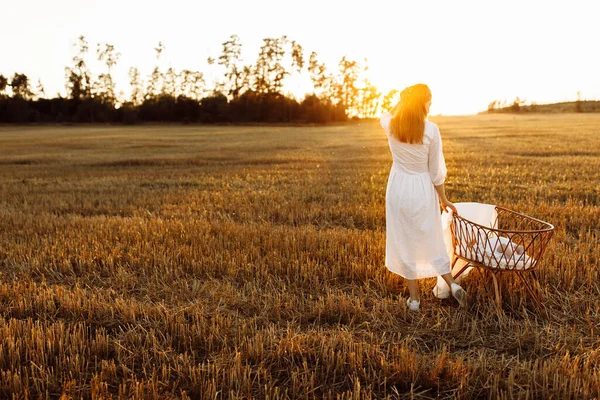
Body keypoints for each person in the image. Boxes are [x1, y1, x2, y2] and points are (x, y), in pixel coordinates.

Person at [380, 83, 467, 312]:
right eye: (429, 100)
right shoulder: (431, 130)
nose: (431, 104)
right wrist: (444, 199)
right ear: (423, 103)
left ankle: (415, 299)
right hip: (422, 188)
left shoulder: (390, 124)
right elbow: (435, 171)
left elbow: (387, 112)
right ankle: (452, 284)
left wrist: (403, 97)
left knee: (405, 241)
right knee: (432, 238)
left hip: (398, 188)